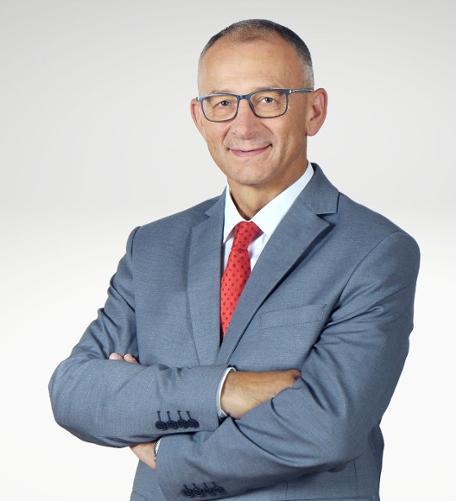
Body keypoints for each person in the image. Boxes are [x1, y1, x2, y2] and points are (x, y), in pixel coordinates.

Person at [48, 18, 420, 501]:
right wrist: (224, 389)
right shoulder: (153, 246)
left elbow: (326, 427)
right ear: (199, 117)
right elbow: (75, 393)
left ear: (314, 111)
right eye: (223, 103)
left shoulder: (374, 250)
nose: (243, 126)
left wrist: (167, 453)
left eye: (268, 99)